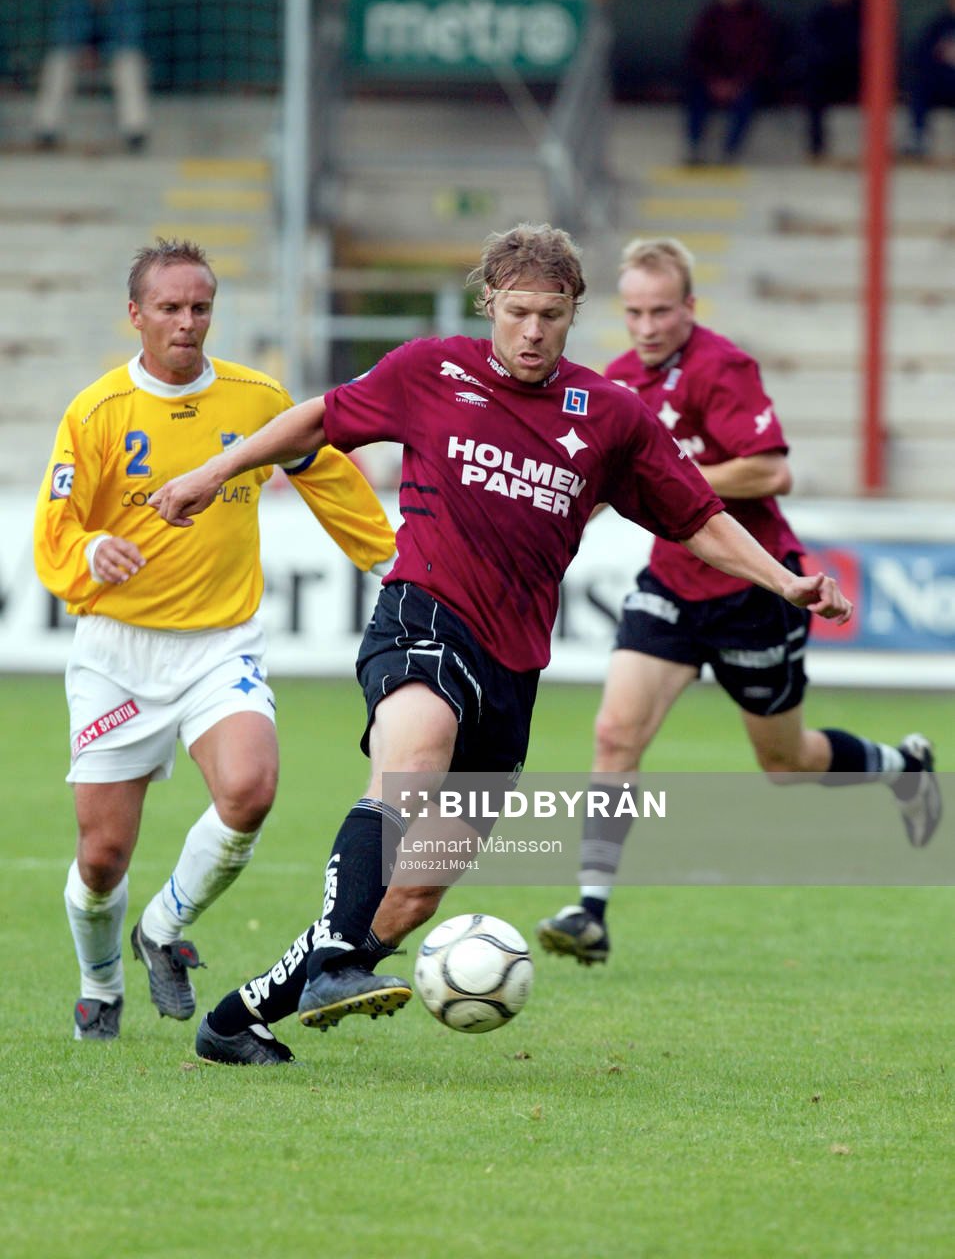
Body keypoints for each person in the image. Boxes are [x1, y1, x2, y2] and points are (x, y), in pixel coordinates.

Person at [149, 223, 852, 1066]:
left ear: (572, 313)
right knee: (410, 766)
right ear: (488, 303)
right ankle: (335, 960)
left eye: (550, 315)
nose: (532, 331)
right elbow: (316, 422)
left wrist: (782, 581)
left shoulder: (611, 416)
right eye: (517, 312)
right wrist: (212, 472)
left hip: (513, 667)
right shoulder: (429, 370)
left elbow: (696, 515)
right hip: (422, 616)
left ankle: (237, 1019)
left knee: (413, 895)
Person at [535, 237, 942, 966]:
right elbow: (599, 482)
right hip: (670, 585)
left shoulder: (721, 368)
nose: (647, 326)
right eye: (634, 312)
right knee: (615, 734)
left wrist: (667, 474)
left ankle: (903, 768)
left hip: (754, 589)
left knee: (785, 762)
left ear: (690, 306)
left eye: (662, 310)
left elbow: (770, 472)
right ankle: (589, 909)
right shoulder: (615, 382)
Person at [34, 238, 396, 1042]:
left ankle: (162, 927)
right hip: (116, 650)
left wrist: (395, 561)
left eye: (200, 307)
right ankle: (99, 984)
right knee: (102, 856)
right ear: (135, 314)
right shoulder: (97, 411)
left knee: (250, 789)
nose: (187, 322)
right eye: (169, 307)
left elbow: (328, 478)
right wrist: (92, 550)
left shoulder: (256, 398)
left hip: (219, 645)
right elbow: (56, 524)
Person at [33, 0, 150, 152]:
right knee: (57, 61)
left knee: (130, 62)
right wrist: (82, 52)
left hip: (113, 59)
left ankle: (135, 133)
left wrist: (102, 53)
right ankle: (47, 130)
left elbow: (130, 37)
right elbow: (62, 34)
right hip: (80, 60)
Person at [684, 0, 778, 165]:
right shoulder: (710, 14)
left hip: (744, 81)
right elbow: (697, 52)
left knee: (748, 97)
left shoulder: (758, 15)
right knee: (695, 92)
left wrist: (738, 83)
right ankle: (695, 148)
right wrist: (713, 81)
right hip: (712, 80)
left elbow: (761, 56)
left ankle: (729, 152)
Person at [803, 0, 861, 160]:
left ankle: (877, 147)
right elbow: (811, 47)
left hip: (856, 76)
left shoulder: (864, 15)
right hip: (829, 76)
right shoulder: (820, 15)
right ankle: (817, 148)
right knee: (813, 84)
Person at [905, 0, 955, 160]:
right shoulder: (939, 25)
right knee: (921, 86)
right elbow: (920, 55)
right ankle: (918, 138)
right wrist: (939, 56)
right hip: (942, 84)